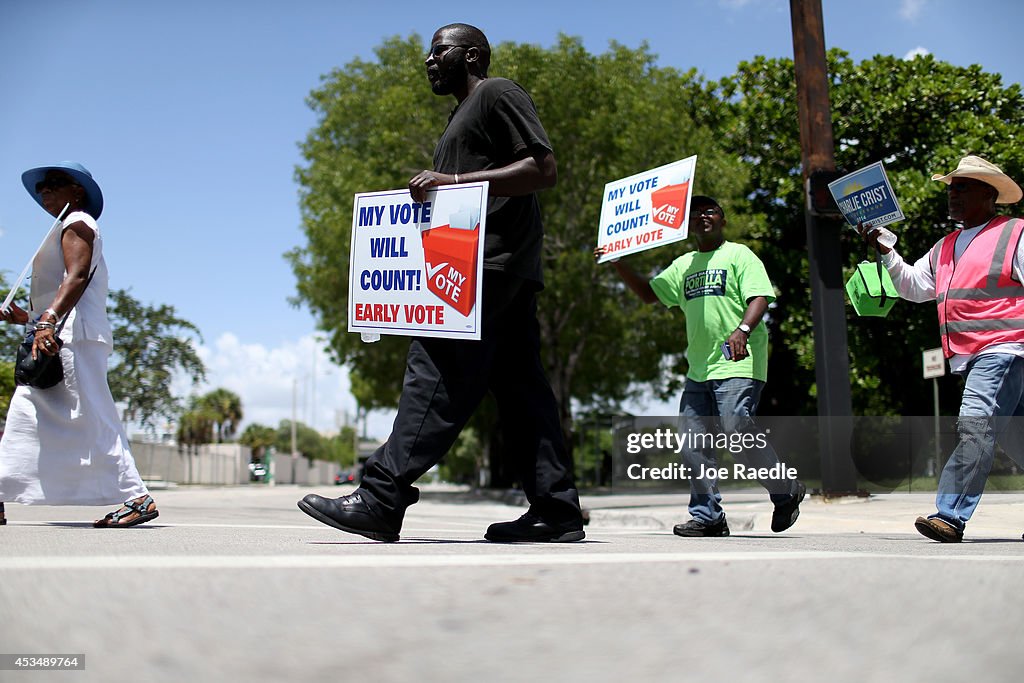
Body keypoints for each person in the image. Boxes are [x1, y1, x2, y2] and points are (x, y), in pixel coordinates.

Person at [298, 23, 583, 542]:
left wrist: (451, 182)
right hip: (498, 268)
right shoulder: (460, 117)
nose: (428, 61)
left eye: (439, 51)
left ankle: (381, 497)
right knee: (524, 397)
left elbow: (542, 169)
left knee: (435, 369)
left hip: (484, 266)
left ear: (472, 55)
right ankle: (556, 510)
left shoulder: (497, 93)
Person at [595, 195, 805, 537]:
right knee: (692, 444)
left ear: (722, 219)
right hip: (699, 370)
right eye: (694, 213)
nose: (702, 216)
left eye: (710, 211)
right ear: (687, 224)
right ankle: (708, 516)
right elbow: (651, 294)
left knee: (736, 430)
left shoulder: (739, 255)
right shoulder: (684, 264)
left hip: (738, 360)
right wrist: (618, 262)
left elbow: (760, 298)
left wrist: (743, 330)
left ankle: (785, 489)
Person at [859, 154, 1024, 543]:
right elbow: (915, 287)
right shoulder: (945, 245)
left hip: (1004, 350)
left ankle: (950, 514)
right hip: (972, 357)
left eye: (961, 187)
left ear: (989, 193)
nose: (952, 194)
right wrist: (885, 251)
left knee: (975, 424)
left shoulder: (1014, 233)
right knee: (1015, 437)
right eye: (950, 188)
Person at [0, 161, 158, 528]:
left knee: (94, 414)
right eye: (42, 187)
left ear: (78, 192)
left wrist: (47, 321)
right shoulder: (64, 227)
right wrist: (29, 318)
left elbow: (77, 277)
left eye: (54, 184)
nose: (45, 191)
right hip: (59, 336)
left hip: (73, 338)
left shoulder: (79, 223)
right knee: (26, 415)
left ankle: (137, 497)